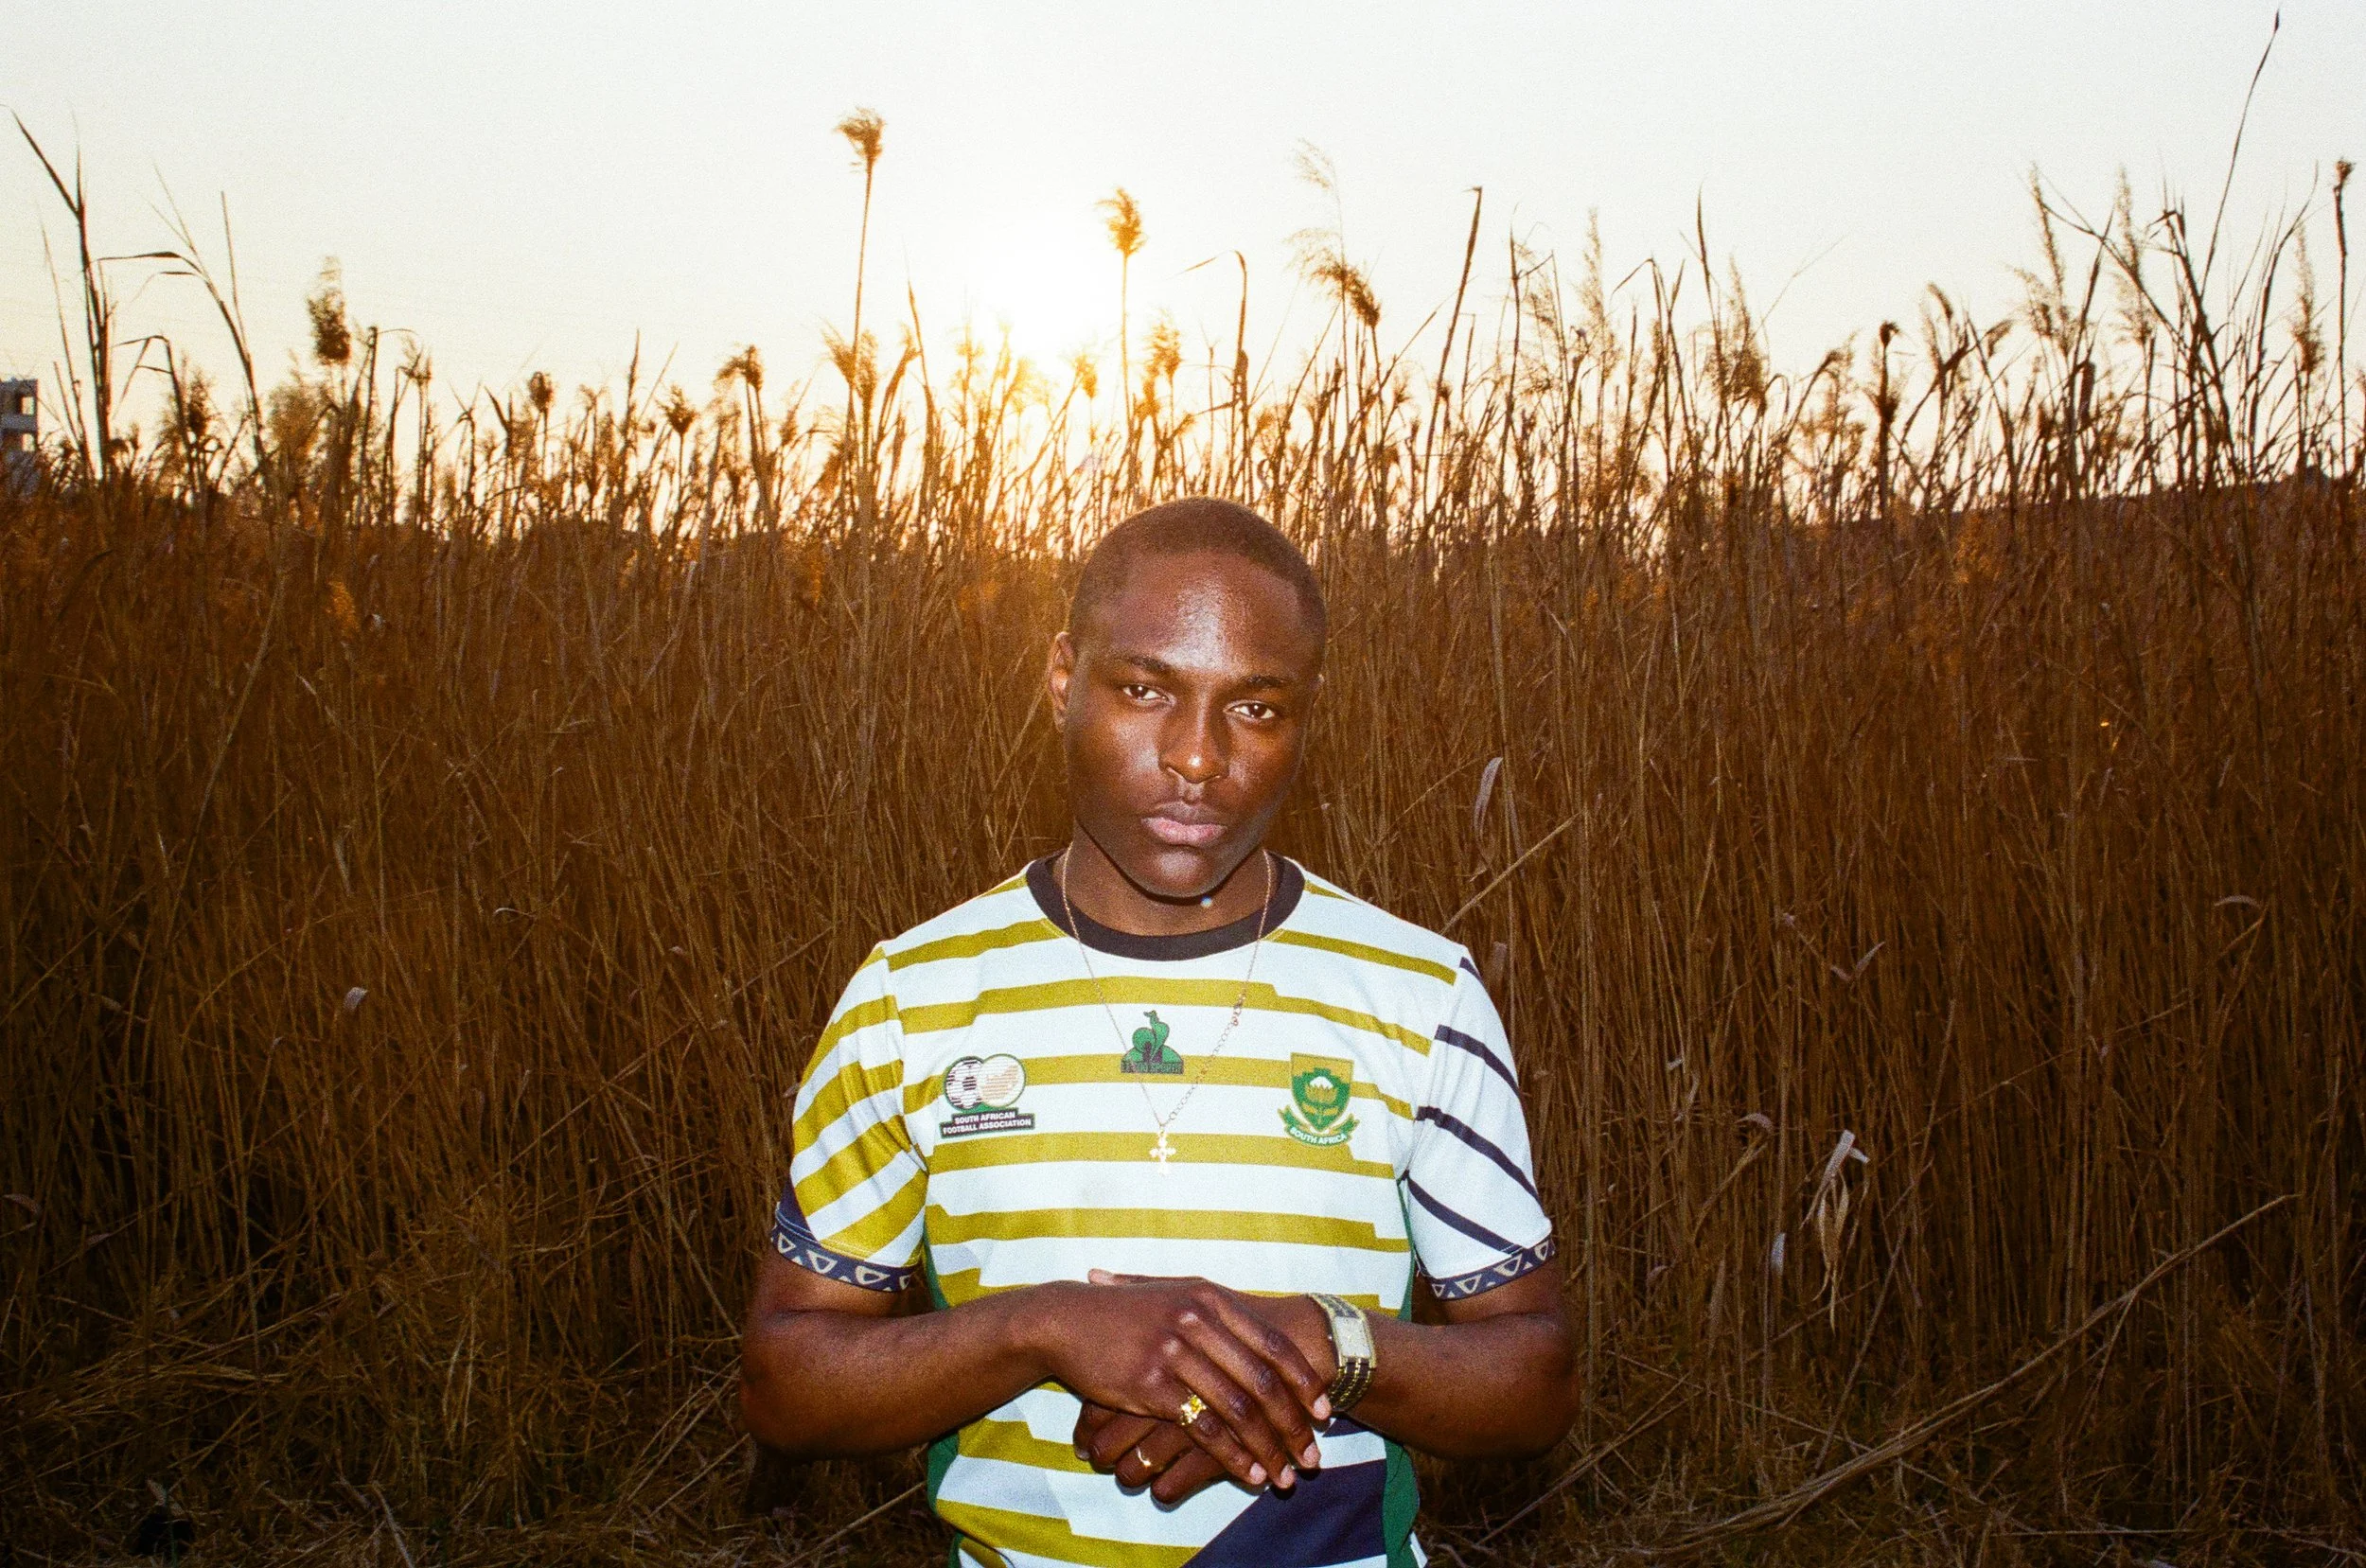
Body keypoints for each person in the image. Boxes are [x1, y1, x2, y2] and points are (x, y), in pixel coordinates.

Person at [741, 499, 1572, 1568]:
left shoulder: (1419, 992)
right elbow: (784, 1382)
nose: (1196, 755)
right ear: (1060, 679)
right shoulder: (916, 995)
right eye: (1145, 689)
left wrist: (1315, 1345)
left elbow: (1535, 1376)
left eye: (1257, 708)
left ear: (1308, 718)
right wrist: (1040, 1330)